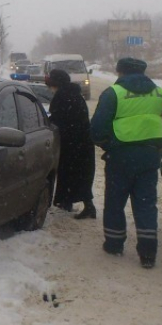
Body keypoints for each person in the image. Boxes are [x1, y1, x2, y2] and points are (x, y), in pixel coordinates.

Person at [90, 57, 162, 268]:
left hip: (120, 157)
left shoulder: (113, 93)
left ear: (120, 72)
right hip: (151, 156)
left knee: (115, 202)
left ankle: (114, 244)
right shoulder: (161, 94)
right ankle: (148, 253)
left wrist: (109, 143)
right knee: (146, 204)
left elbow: (97, 129)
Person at [46, 69, 96, 219]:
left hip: (71, 143)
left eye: (51, 85)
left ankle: (76, 204)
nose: (50, 88)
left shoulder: (62, 97)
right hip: (82, 141)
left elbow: (57, 120)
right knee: (80, 174)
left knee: (69, 172)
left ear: (56, 84)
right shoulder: (75, 95)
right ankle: (71, 202)